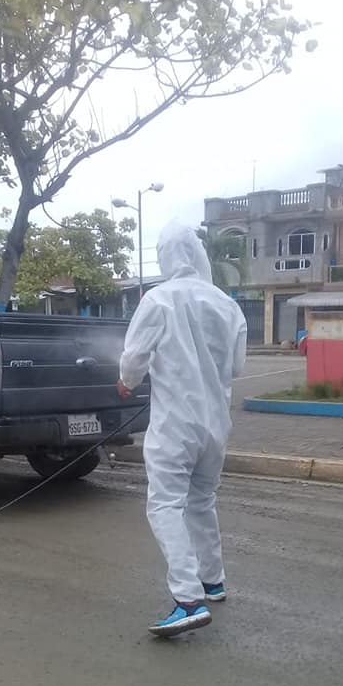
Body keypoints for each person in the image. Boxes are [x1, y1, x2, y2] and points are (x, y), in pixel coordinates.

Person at [117, 221, 247, 638]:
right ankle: (213, 581)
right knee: (202, 501)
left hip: (175, 424)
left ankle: (188, 600)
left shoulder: (158, 299)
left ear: (166, 257)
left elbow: (133, 359)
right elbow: (236, 366)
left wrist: (126, 382)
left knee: (165, 506)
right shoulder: (228, 306)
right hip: (215, 425)